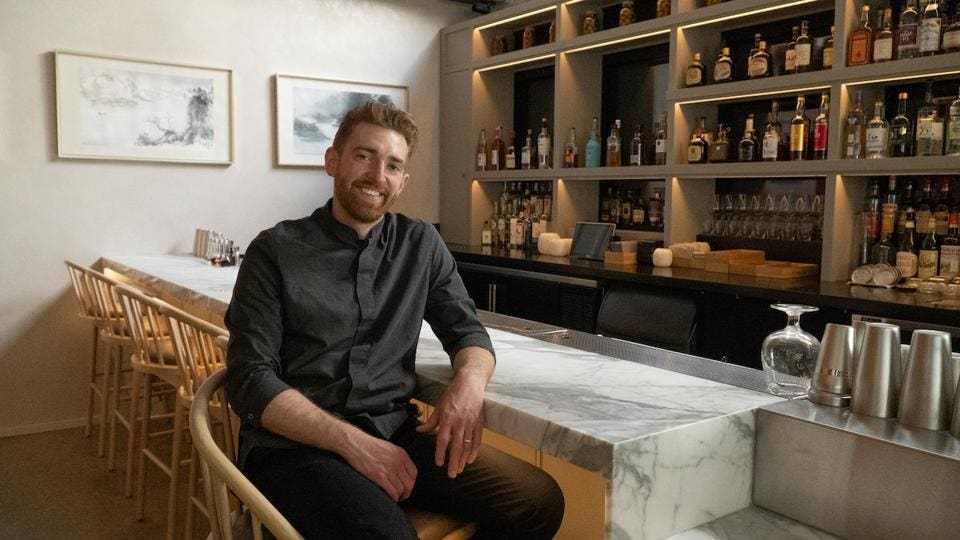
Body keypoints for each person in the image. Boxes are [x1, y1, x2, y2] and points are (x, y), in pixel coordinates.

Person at [224, 101, 564, 539]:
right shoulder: (275, 251)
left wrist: (468, 385)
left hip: (393, 431)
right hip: (295, 448)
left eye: (393, 165)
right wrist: (354, 444)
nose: (377, 175)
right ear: (333, 161)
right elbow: (250, 379)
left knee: (536, 500)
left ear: (403, 181)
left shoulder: (421, 244)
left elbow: (467, 332)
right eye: (364, 156)